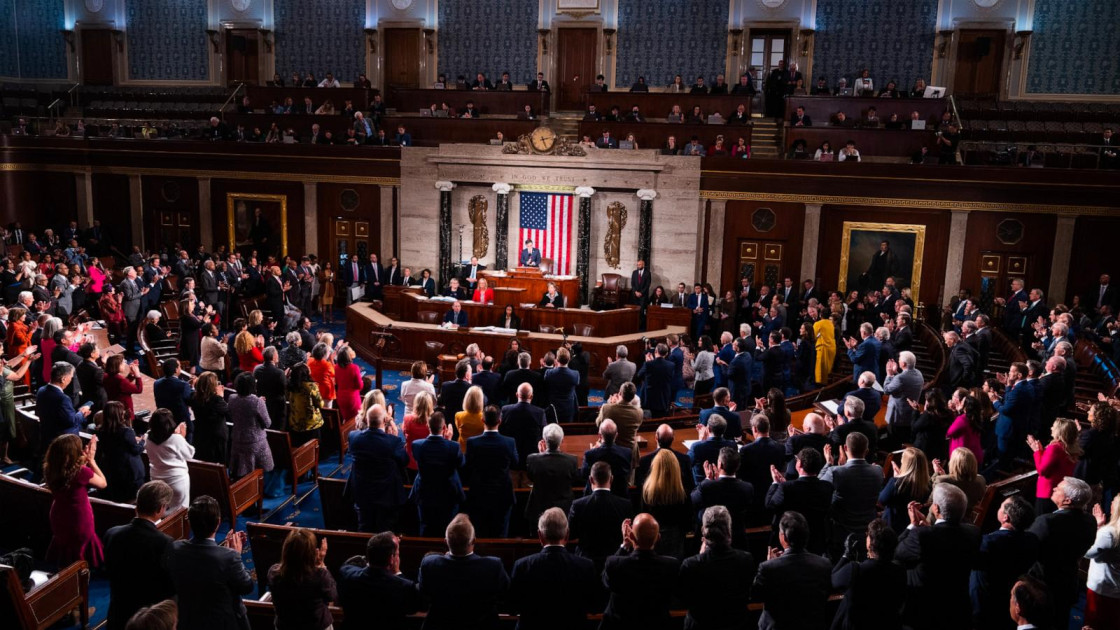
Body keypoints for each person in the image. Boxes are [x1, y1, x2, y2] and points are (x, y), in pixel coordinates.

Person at [895, 483, 981, 630]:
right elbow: (947, 540)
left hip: (923, 610)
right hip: (957, 609)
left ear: (936, 508)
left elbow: (896, 552)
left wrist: (913, 525)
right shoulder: (974, 533)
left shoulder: (921, 536)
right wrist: (928, 529)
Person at [164, 496, 254, 630]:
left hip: (187, 622)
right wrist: (236, 554)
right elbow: (247, 586)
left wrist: (227, 552)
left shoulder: (174, 548)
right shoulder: (229, 558)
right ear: (218, 522)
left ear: (190, 522)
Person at [103, 481, 176, 630]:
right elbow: (169, 586)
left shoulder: (112, 533)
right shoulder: (164, 542)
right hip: (147, 619)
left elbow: (108, 571)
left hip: (118, 614)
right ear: (160, 508)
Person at [417, 514, 509, 628]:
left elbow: (423, 596)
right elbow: (506, 597)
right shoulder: (493, 566)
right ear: (473, 541)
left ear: (446, 541)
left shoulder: (430, 564)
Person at [1028, 476, 1097, 627]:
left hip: (1041, 585)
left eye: (1058, 488)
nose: (1053, 488)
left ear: (1067, 500)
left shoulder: (1047, 522)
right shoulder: (1090, 521)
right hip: (1068, 582)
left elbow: (1027, 547)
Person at [752, 511, 833, 629]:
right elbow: (826, 594)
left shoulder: (768, 568)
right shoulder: (824, 565)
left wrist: (770, 563)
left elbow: (755, 596)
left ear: (783, 537)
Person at [600, 513, 681, 630]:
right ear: (658, 538)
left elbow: (605, 581)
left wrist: (625, 545)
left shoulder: (614, 564)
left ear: (631, 536)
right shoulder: (671, 566)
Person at [969, 496, 1039, 630]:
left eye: (1001, 506)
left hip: (984, 602)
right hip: (1011, 599)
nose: (999, 508)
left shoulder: (988, 543)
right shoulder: (1032, 540)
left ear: (1005, 517)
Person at [337, 532, 423, 630]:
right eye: (397, 554)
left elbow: (350, 565)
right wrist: (397, 572)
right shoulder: (404, 587)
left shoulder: (347, 575)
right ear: (392, 559)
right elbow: (412, 607)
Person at [43, 433, 106, 567]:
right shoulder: (81, 472)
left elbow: (71, 470)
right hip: (78, 517)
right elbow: (103, 483)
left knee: (65, 544)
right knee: (80, 548)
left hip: (58, 513)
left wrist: (85, 460)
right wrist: (91, 461)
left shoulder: (51, 468)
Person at [766, 447, 833, 555]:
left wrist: (775, 483)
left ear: (799, 464)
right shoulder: (827, 487)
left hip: (790, 541)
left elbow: (770, 505)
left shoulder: (786, 487)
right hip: (817, 542)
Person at [463, 406, 517, 537]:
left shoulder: (472, 442)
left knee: (479, 533)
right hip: (502, 495)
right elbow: (515, 463)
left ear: (482, 420)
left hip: (478, 494)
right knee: (501, 534)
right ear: (500, 421)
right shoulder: (509, 442)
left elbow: (466, 465)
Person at [267, 528, 337, 630]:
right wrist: (321, 565)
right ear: (312, 553)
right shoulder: (320, 575)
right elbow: (332, 595)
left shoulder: (274, 572)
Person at [409, 411, 465, 535]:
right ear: (444, 428)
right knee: (449, 528)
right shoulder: (454, 447)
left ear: (428, 426)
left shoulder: (417, 445)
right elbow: (461, 463)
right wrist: (449, 441)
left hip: (425, 494)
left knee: (425, 526)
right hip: (448, 494)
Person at [525, 423, 580, 521]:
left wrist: (541, 455)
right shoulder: (572, 461)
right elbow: (574, 480)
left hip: (539, 508)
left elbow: (531, 477)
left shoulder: (532, 459)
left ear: (544, 440)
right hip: (564, 509)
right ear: (562, 441)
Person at [37, 362, 92, 456]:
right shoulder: (63, 398)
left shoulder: (41, 390)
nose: (71, 380)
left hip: (46, 434)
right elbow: (72, 421)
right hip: (63, 440)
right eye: (71, 377)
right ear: (63, 379)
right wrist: (82, 413)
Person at [95, 401, 146, 503]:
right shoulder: (126, 431)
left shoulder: (100, 430)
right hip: (129, 472)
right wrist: (143, 441)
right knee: (132, 499)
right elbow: (136, 450)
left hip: (111, 469)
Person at [1029, 417, 1081, 514]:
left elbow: (1042, 471)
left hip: (1047, 492)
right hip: (1061, 491)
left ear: (1059, 431)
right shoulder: (1071, 447)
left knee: (1043, 519)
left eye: (1054, 426)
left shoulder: (1055, 448)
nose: (1051, 428)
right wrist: (1042, 452)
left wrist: (1037, 452)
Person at [228, 371, 274, 479]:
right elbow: (267, 423)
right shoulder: (257, 402)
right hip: (255, 443)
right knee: (257, 473)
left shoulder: (232, 398)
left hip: (238, 441)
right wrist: (261, 404)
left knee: (240, 472)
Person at [1086, 495, 1120, 630]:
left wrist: (1097, 527)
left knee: (1093, 625)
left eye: (1114, 502)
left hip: (1102, 590)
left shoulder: (1110, 533)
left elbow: (1087, 552)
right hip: (1116, 590)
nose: (1110, 502)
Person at [879, 447, 932, 533]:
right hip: (913, 525)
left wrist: (894, 479)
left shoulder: (896, 483)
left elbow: (881, 500)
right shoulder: (927, 485)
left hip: (892, 526)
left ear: (905, 464)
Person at [189, 372, 229, 465]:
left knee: (203, 461)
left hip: (200, 433)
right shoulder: (216, 400)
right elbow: (227, 411)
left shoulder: (194, 397)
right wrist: (221, 397)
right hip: (216, 437)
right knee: (218, 463)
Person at [544, 347, 579, 422]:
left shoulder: (549, 373)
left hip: (553, 408)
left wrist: (555, 369)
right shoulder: (575, 374)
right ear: (569, 359)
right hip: (569, 407)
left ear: (556, 360)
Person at [104, 354, 144, 419]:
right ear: (117, 365)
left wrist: (131, 374)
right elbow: (139, 389)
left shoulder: (106, 376)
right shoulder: (120, 380)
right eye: (122, 363)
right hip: (124, 411)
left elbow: (122, 386)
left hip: (114, 409)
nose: (125, 364)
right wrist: (137, 374)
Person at [335, 346, 362, 421]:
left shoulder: (336, 367)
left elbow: (337, 382)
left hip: (341, 397)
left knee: (346, 419)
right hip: (352, 398)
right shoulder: (354, 368)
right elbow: (359, 386)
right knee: (355, 420)